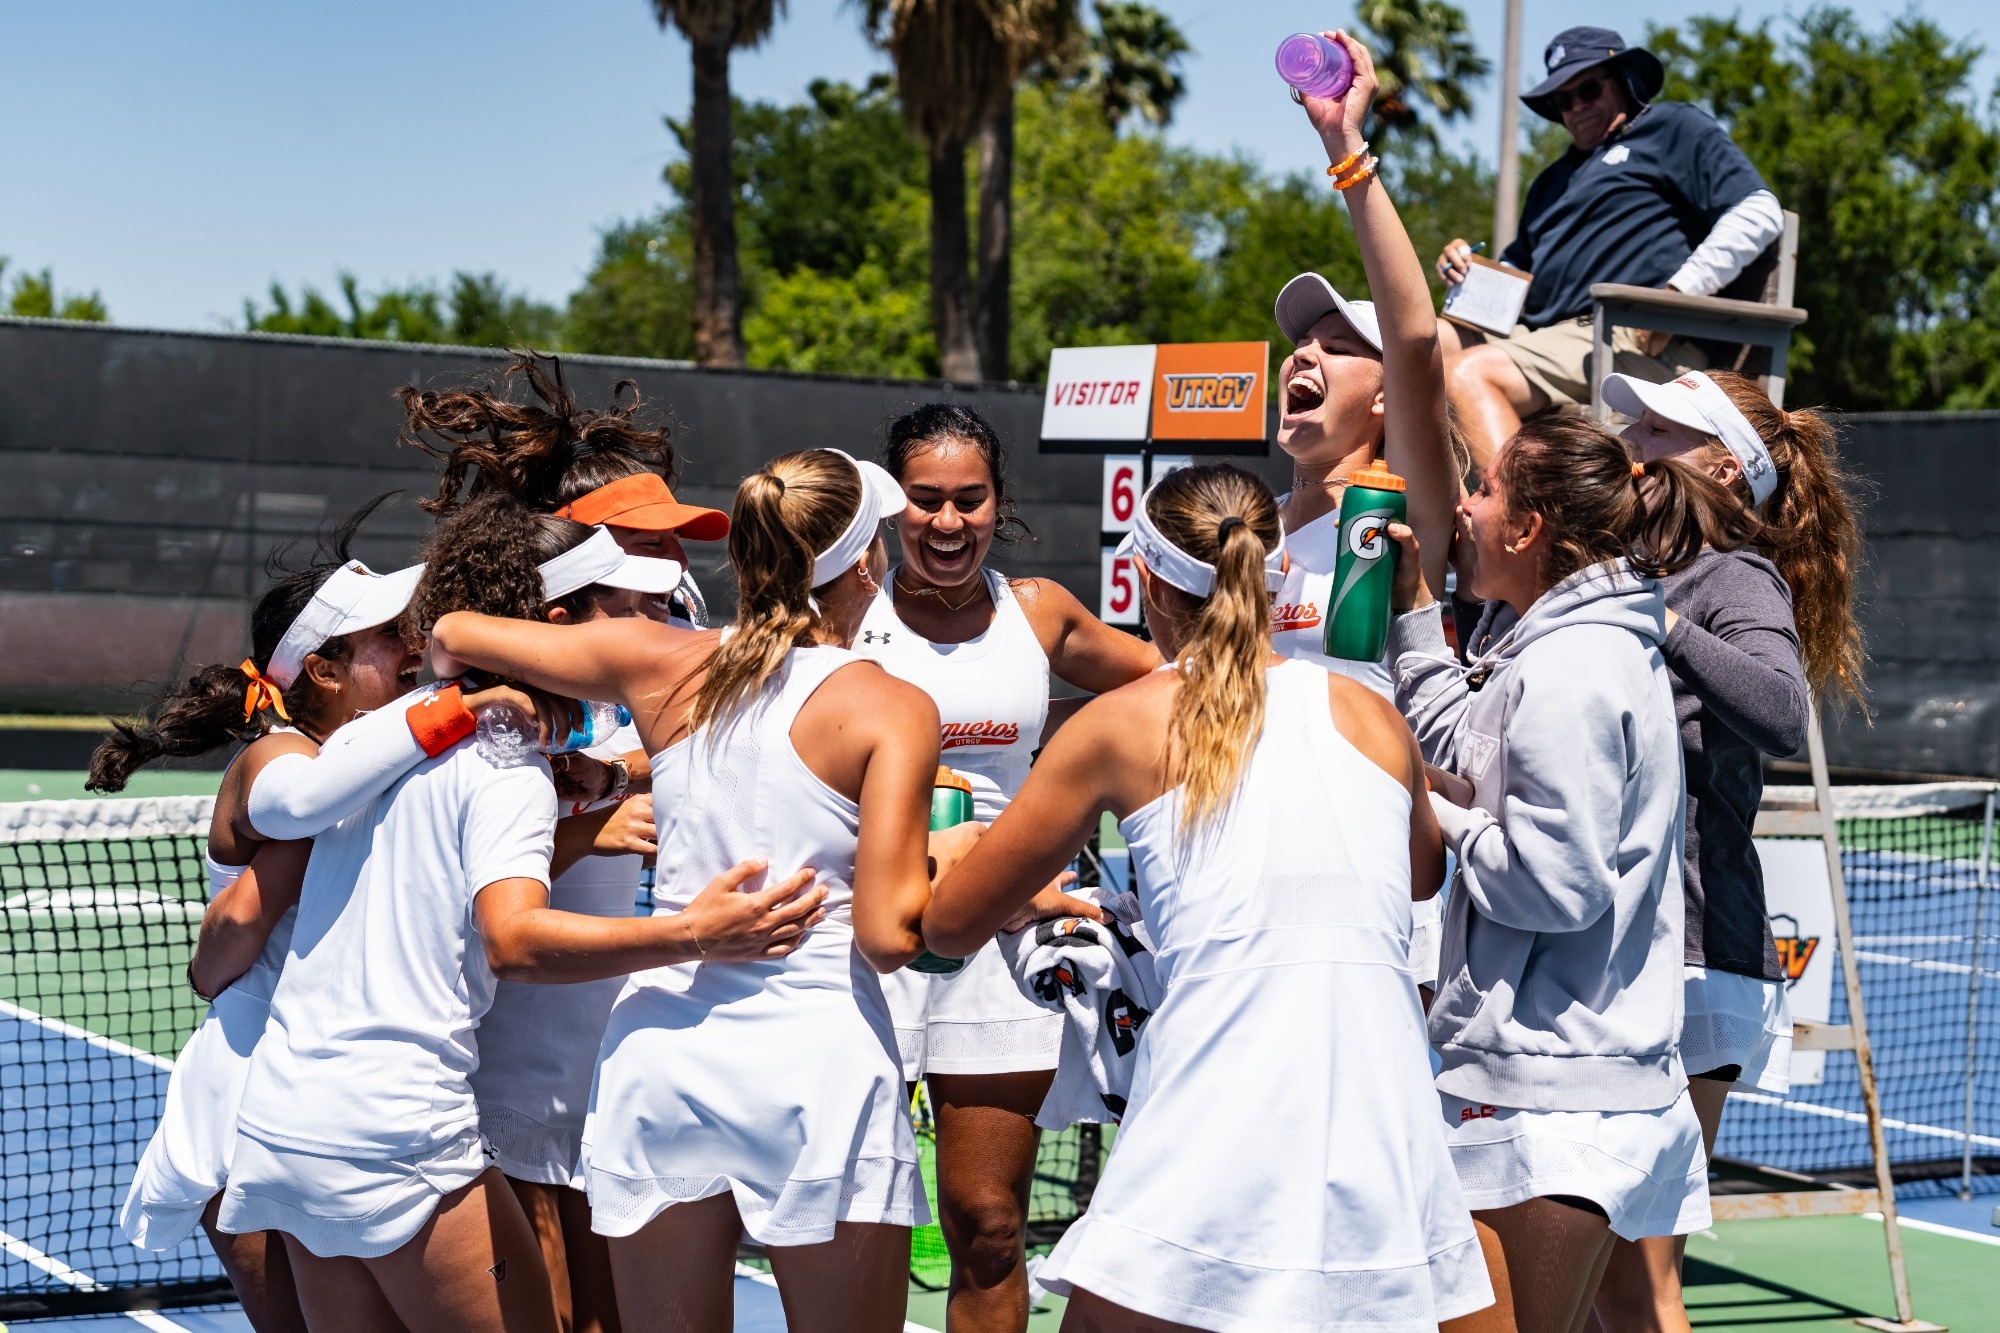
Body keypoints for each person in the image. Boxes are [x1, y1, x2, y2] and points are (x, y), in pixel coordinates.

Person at [215, 498, 819, 1333]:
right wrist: (697, 932)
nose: (650, 630)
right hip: (398, 1132)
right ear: (558, 626)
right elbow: (515, 939)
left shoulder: (376, 728)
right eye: (628, 611)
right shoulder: (506, 763)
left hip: (288, 1122)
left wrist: (595, 776)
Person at [922, 462, 1496, 1333]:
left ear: (1148, 581)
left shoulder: (1118, 724)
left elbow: (949, 921)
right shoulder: (1375, 716)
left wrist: (949, 851)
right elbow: (1420, 873)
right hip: (1385, 1106)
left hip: (1215, 1101)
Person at [427, 450, 970, 1333]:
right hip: (817, 1064)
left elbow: (451, 631)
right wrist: (963, 861)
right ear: (865, 566)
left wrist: (541, 723)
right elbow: (888, 933)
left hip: (664, 1063)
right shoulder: (893, 706)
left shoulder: (654, 659)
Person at [1385, 412, 1760, 1332]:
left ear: (1527, 528)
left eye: (1483, 490)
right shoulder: (1561, 647)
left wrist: (1427, 809)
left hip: (1556, 1095)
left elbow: (1554, 884)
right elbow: (1465, 739)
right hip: (1573, 1080)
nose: (1463, 510)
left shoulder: (1573, 668)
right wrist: (1411, 615)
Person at [403, 355, 735, 1333]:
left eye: (677, 540)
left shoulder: (682, 628)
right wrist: (590, 818)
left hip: (650, 1041)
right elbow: (464, 883)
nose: (672, 562)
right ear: (578, 558)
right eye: (646, 542)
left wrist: (621, 780)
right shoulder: (500, 664)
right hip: (528, 1046)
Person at [852, 402, 1159, 1332]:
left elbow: (1188, 686)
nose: (948, 523)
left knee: (987, 1226)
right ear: (889, 505)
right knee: (852, 1223)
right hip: (864, 931)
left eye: (970, 500)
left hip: (1001, 936)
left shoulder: (1039, 614)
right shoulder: (843, 613)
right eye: (926, 499)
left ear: (1000, 503)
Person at [97, 510, 427, 1333]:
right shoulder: (284, 758)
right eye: (388, 636)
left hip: (331, 1079)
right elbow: (242, 916)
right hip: (251, 1086)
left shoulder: (357, 760)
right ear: (321, 668)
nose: (413, 646)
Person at [1588, 370, 1863, 1332]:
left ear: (1716, 463)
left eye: (1657, 426)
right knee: (1581, 1273)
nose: (1631, 433)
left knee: (1635, 1276)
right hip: (1617, 955)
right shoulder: (1624, 567)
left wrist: (1662, 627)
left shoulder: (1732, 575)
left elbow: (1783, 710)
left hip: (1698, 957)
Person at [1268, 29, 1465, 989]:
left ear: (1384, 395)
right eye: (1298, 343)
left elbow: (1418, 335)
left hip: (1376, 898)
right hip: (1252, 889)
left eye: (1339, 344)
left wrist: (1346, 153)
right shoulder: (1243, 536)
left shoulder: (1401, 516)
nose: (1303, 356)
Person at [1437, 27, 1784, 471]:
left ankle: (1524, 529)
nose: (1577, 106)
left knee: (1466, 374)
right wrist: (1469, 266)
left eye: (1588, 89)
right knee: (1408, 345)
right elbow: (1515, 268)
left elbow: (1759, 211)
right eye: (1564, 100)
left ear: (1623, 81)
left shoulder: (1672, 127)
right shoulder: (1551, 181)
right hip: (1536, 333)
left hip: (1625, 334)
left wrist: (1678, 293)